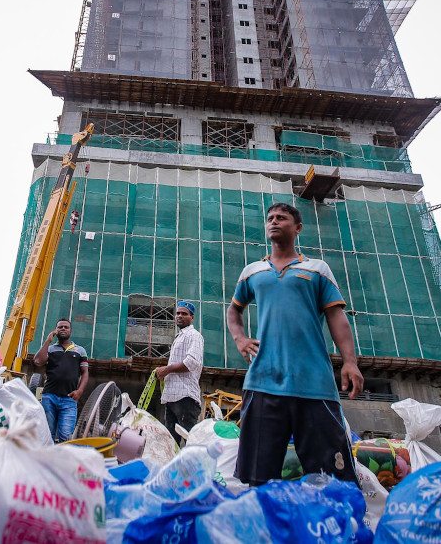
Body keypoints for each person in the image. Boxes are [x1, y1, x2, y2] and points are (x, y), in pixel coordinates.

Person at [227, 202, 363, 486]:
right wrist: (239, 338)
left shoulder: (317, 269)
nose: (274, 221)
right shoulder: (252, 271)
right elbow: (234, 310)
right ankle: (267, 526)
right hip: (263, 382)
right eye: (270, 218)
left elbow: (337, 318)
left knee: (331, 476)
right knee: (258, 477)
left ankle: (332, 526)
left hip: (313, 384)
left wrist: (350, 362)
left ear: (297, 228)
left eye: (282, 218)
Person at [156, 300, 204, 445]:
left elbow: (192, 362)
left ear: (192, 317)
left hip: (185, 397)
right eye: (177, 313)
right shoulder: (180, 336)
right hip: (172, 397)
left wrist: (167, 369)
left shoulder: (194, 335)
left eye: (184, 314)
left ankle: (200, 468)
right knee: (171, 445)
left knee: (192, 444)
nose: (179, 316)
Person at [33, 318, 89, 443]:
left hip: (69, 400)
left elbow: (85, 373)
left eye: (66, 327)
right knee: (47, 435)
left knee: (66, 437)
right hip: (49, 397)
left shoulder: (80, 350)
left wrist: (80, 391)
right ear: (55, 330)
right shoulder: (51, 349)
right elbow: (38, 361)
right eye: (60, 327)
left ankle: (63, 462)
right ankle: (47, 461)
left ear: (70, 331)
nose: (63, 329)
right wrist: (48, 341)